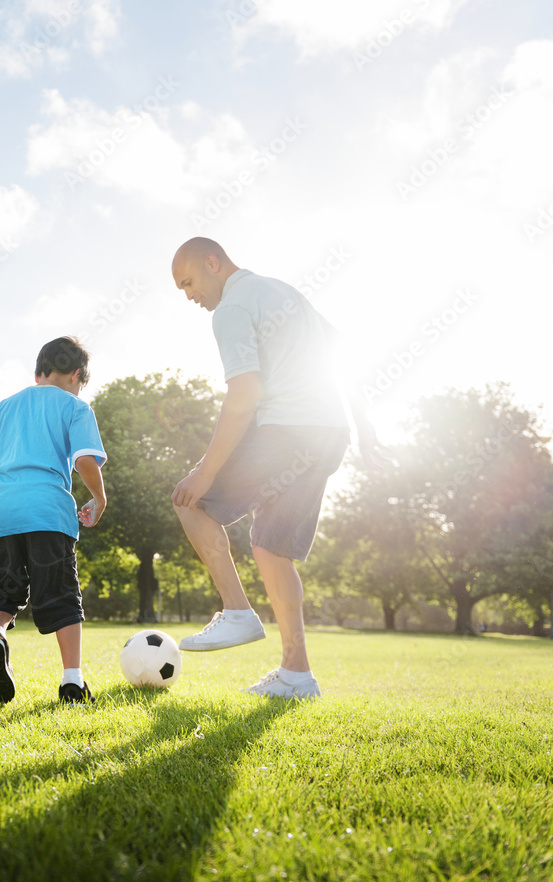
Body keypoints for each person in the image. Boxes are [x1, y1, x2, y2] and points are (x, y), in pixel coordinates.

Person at [170, 237, 387, 699]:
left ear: (213, 263)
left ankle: (236, 612)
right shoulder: (285, 292)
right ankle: (297, 675)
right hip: (329, 436)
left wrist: (205, 474)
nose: (189, 295)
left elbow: (244, 395)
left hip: (287, 432)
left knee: (190, 501)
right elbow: (344, 354)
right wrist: (365, 429)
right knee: (271, 548)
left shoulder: (230, 309)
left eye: (188, 281)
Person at [0, 336, 107, 705]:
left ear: (38, 372)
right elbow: (83, 460)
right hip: (47, 512)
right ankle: (72, 683)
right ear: (76, 375)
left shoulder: (5, 406)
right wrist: (99, 496)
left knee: (6, 590)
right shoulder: (75, 407)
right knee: (61, 594)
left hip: (0, 513)